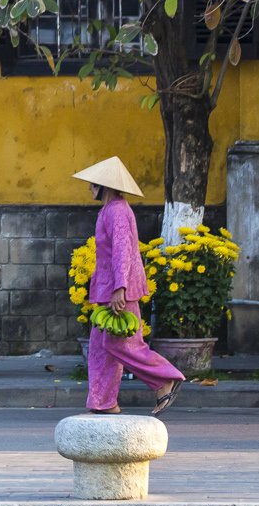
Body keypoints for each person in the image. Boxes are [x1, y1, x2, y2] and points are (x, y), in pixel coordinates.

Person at [75, 156, 183, 416]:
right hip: (108, 288)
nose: (90, 187)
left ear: (105, 185)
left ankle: (164, 379)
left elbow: (123, 252)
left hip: (118, 290)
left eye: (93, 183)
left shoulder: (118, 212)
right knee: (102, 347)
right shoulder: (109, 210)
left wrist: (120, 288)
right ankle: (103, 401)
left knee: (123, 344)